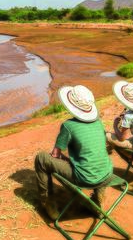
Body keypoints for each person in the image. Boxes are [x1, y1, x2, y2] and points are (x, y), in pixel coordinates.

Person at [34, 85, 112, 220]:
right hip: (107, 175)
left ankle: (47, 201)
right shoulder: (98, 122)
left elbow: (55, 155)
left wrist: (64, 158)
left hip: (85, 178)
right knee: (95, 159)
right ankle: (98, 199)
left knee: (41, 158)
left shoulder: (68, 126)